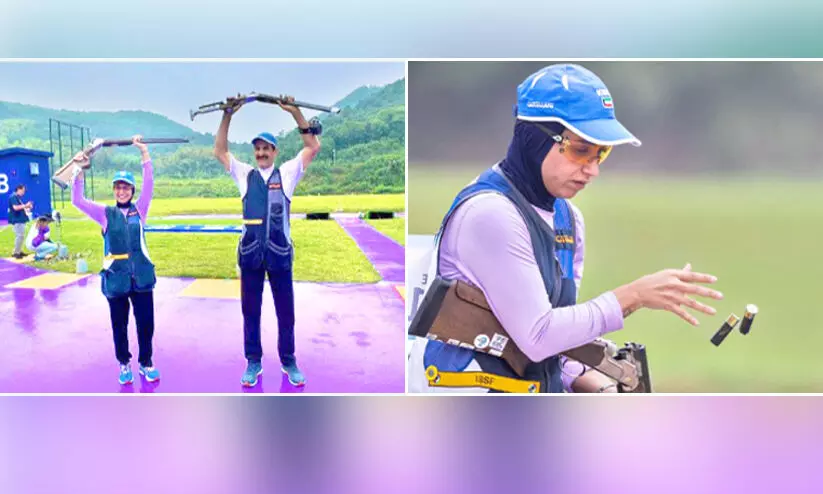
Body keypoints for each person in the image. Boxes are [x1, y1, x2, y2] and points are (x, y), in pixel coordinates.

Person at [407, 64, 723, 393]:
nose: (592, 170)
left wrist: (600, 388)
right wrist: (634, 296)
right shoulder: (491, 214)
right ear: (534, 139)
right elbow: (539, 336)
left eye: (601, 154)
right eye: (580, 150)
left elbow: (559, 343)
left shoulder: (568, 219)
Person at [213, 94, 321, 387]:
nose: (260, 153)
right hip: (249, 256)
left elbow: (313, 146)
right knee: (251, 312)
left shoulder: (287, 173)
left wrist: (295, 112)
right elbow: (220, 151)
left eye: (265, 148)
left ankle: (288, 360)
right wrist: (228, 115)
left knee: (286, 313)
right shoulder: (244, 174)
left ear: (274, 151)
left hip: (280, 255)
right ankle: (253, 362)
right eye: (257, 149)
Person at [70, 135, 160, 386]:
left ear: (132, 190)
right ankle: (124, 363)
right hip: (116, 281)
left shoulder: (140, 209)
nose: (122, 191)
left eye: (126, 187)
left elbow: (150, 184)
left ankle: (146, 362)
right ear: (114, 190)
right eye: (118, 187)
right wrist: (79, 170)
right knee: (119, 326)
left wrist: (144, 152)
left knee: (146, 325)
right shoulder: (104, 214)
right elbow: (77, 200)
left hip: (141, 278)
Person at [8, 184, 32, 258]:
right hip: (17, 219)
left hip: (20, 219)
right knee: (20, 236)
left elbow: (21, 208)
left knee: (21, 236)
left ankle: (19, 251)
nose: (23, 193)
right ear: (19, 189)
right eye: (23, 191)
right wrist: (26, 205)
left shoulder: (17, 197)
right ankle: (16, 253)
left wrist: (27, 208)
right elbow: (15, 208)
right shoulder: (13, 197)